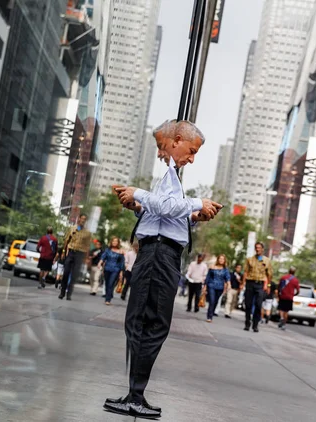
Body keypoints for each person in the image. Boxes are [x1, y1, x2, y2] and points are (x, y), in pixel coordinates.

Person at [104, 121, 221, 418]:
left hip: (160, 255)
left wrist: (194, 216)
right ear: (178, 141)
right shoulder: (170, 175)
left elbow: (167, 213)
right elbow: (167, 210)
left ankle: (135, 393)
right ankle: (135, 395)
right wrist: (140, 198)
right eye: (192, 151)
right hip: (158, 255)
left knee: (145, 321)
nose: (192, 158)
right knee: (148, 322)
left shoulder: (172, 177)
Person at [59, 214, 92, 300]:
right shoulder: (72, 228)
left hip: (80, 254)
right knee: (66, 273)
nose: (83, 220)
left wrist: (86, 258)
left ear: (86, 221)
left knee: (74, 276)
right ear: (79, 219)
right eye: (82, 218)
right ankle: (62, 292)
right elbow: (67, 240)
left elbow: (88, 246)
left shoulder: (87, 233)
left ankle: (69, 294)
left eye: (85, 219)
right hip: (70, 252)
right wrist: (63, 252)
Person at [242, 242, 273, 333]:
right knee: (248, 304)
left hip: (260, 285)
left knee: (259, 305)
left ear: (263, 249)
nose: (257, 249)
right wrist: (243, 284)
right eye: (256, 247)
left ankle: (255, 325)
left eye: (259, 248)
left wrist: (268, 286)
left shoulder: (267, 260)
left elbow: (269, 274)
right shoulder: (250, 259)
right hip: (250, 283)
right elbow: (246, 272)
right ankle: (247, 323)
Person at [98, 237, 125, 305]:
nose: (114, 242)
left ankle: (108, 300)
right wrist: (99, 263)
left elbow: (122, 262)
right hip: (107, 268)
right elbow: (103, 257)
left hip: (116, 269)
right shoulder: (107, 250)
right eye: (113, 241)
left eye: (116, 241)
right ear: (111, 242)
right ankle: (108, 296)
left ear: (118, 243)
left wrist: (121, 272)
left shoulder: (121, 251)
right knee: (107, 284)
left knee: (111, 283)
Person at [204, 254, 230, 323]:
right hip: (211, 285)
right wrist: (205, 286)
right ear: (218, 259)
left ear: (224, 261)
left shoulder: (225, 270)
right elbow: (208, 277)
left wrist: (229, 285)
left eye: (223, 259)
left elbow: (227, 278)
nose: (221, 260)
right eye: (220, 258)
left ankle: (211, 313)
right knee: (212, 301)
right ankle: (209, 317)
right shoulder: (212, 267)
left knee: (215, 302)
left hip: (220, 287)